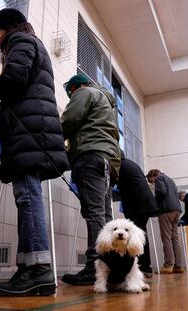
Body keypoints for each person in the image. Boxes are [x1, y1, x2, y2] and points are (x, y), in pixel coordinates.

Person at [0, 8, 69, 296]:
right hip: (33, 128)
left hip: (29, 130)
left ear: (6, 29)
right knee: (27, 197)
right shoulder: (31, 43)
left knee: (28, 198)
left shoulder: (19, 40)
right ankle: (29, 268)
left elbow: (15, 77)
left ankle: (39, 270)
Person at [60, 74, 121, 285]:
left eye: (71, 92)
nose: (71, 95)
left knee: (94, 214)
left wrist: (52, 135)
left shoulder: (84, 93)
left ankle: (95, 267)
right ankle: (108, 267)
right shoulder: (107, 105)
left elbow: (69, 119)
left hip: (91, 157)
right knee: (103, 216)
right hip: (109, 163)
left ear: (75, 87)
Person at [117, 152, 158, 278]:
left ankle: (143, 267)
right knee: (140, 234)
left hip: (138, 204)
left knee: (137, 236)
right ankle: (144, 267)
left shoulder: (120, 165)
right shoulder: (129, 164)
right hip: (143, 203)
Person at [146, 169, 185, 273]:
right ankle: (179, 266)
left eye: (151, 181)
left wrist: (155, 204)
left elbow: (162, 192)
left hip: (166, 210)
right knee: (175, 237)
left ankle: (168, 265)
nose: (153, 183)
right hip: (177, 210)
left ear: (152, 176)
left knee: (166, 238)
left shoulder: (159, 178)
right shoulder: (170, 179)